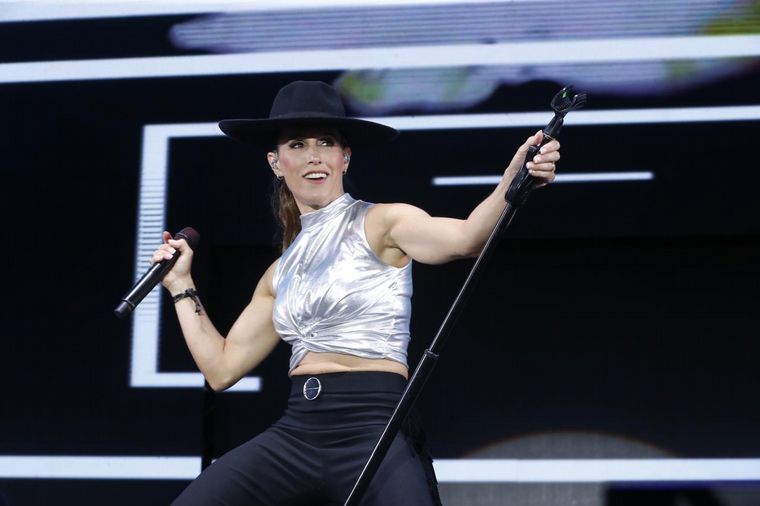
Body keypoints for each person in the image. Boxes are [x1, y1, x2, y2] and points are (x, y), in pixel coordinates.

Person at [154, 80, 560, 505]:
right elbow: (221, 369)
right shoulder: (279, 273)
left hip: (371, 428)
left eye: (326, 143)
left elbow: (466, 239)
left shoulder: (383, 222)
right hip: (297, 433)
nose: (314, 156)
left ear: (344, 157)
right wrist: (181, 284)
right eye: (297, 145)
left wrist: (513, 180)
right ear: (275, 162)